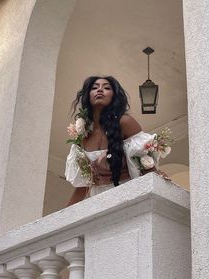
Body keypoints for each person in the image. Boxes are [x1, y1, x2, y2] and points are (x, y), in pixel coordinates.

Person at [65, 76, 169, 206]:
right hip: (98, 200)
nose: (100, 90)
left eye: (107, 88)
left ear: (114, 96)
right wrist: (61, 215)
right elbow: (84, 184)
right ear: (88, 95)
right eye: (94, 87)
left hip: (127, 194)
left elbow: (145, 165)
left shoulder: (125, 122)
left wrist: (160, 182)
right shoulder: (82, 135)